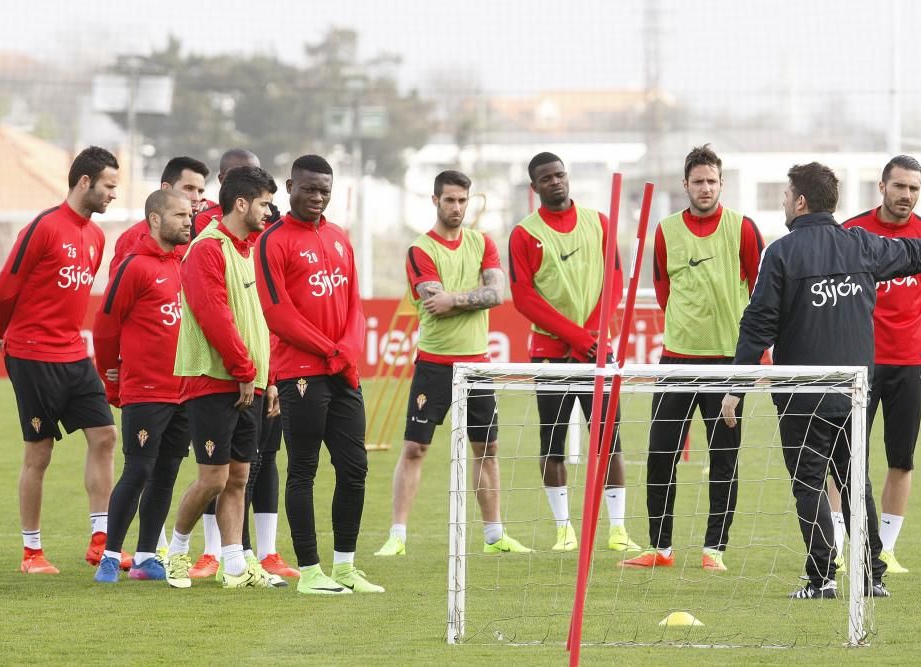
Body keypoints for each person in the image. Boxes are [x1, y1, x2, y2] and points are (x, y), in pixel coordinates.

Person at [721, 162, 921, 599]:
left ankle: (823, 577)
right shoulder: (860, 244)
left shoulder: (782, 253)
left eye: (786, 195)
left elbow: (758, 326)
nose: (784, 202)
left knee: (809, 484)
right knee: (854, 483)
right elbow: (918, 254)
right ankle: (871, 575)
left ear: (801, 201)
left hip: (803, 395)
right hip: (852, 394)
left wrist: (735, 389)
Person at [621, 145, 764, 571]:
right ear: (685, 185)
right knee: (660, 454)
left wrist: (751, 357)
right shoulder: (665, 231)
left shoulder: (742, 229)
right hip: (677, 362)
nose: (705, 188)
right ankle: (660, 548)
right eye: (698, 181)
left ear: (721, 184)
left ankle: (713, 550)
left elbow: (760, 295)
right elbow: (664, 291)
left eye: (712, 181)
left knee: (724, 458)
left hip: (726, 363)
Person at [375, 170, 530, 558]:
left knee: (487, 448)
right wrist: (465, 298)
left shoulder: (482, 243)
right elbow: (434, 303)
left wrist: (455, 299)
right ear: (435, 201)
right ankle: (397, 535)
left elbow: (497, 294)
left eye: (462, 200)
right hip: (435, 364)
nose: (456, 207)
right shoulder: (421, 249)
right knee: (414, 449)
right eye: (449, 200)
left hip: (477, 363)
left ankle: (494, 535)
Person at [255, 154, 381, 594]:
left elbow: (355, 305)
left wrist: (346, 352)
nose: (317, 197)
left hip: (341, 372)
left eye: (324, 190)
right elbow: (277, 314)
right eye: (308, 188)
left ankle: (345, 566)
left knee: (355, 468)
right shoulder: (273, 241)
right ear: (290, 186)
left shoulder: (340, 238)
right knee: (303, 469)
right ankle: (310, 572)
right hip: (301, 373)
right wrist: (330, 350)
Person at [0, 146, 120, 575]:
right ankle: (32, 553)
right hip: (31, 354)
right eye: (108, 185)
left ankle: (101, 539)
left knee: (104, 435)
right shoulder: (44, 227)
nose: (112, 195)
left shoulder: (96, 236)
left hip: (72, 352)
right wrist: (3, 334)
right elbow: (5, 288)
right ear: (84, 181)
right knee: (39, 452)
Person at [508, 152, 638, 553]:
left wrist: (593, 334)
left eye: (560, 175)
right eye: (546, 178)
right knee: (553, 443)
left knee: (610, 441)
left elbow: (614, 282)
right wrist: (578, 337)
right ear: (535, 188)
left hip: (598, 351)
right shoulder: (524, 234)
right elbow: (524, 298)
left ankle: (617, 529)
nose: (555, 182)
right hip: (552, 355)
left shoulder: (598, 222)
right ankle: (564, 529)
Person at [164, 165, 283, 589]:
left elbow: (259, 322)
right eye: (265, 204)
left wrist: (268, 378)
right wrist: (244, 369)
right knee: (212, 478)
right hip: (214, 381)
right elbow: (214, 315)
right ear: (241, 203)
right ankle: (176, 551)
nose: (270, 212)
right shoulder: (207, 249)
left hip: (248, 381)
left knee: (238, 477)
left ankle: (234, 563)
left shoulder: (250, 249)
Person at [842, 155, 921, 575]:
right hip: (858, 363)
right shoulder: (851, 233)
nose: (907, 196)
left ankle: (884, 550)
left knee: (901, 459)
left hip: (908, 362)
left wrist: (909, 338)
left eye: (914, 189)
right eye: (900, 186)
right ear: (882, 186)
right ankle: (834, 548)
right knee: (844, 459)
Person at [92, 189, 192, 582]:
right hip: (147, 391)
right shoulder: (134, 266)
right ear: (155, 219)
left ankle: (148, 555)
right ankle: (111, 556)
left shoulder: (189, 263)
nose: (189, 220)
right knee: (138, 471)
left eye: (190, 214)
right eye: (180, 214)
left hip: (184, 391)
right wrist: (110, 374)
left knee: (166, 473)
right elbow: (105, 327)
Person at [110, 156, 209, 275]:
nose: (196, 198)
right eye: (189, 188)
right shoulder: (134, 236)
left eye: (200, 191)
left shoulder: (201, 232)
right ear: (166, 188)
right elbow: (121, 289)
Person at [192, 148, 264, 239]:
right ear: (222, 179)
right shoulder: (206, 219)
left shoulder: (268, 218)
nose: (249, 182)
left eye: (255, 175)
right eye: (240, 176)